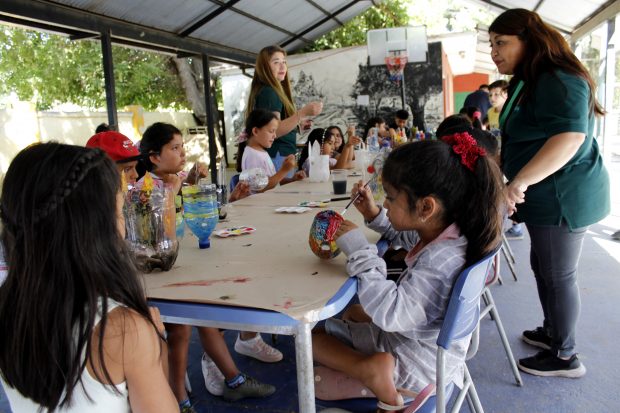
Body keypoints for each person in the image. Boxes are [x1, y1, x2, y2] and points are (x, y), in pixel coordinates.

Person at [312, 137, 504, 411]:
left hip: (416, 367)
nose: (385, 203)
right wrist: (374, 213)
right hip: (430, 348)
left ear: (426, 207)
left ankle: (370, 370)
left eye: (389, 197)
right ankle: (369, 366)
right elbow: (408, 234)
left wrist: (359, 249)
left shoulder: (440, 261)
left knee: (312, 338)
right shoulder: (451, 234)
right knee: (353, 313)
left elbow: (391, 314)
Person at [0, 142, 178, 412]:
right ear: (96, 229)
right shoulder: (123, 329)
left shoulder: (8, 306)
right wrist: (157, 341)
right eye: (119, 213)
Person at [489, 8, 610, 378]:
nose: (494, 52)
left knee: (558, 274)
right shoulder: (531, 79)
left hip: (564, 196)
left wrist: (518, 182)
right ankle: (553, 332)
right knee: (542, 266)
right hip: (544, 199)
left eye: (501, 43)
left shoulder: (559, 78)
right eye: (491, 44)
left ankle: (565, 356)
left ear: (529, 39)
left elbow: (570, 138)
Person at [138, 122, 276, 405]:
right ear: (154, 157)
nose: (182, 153)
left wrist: (189, 185)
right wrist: (174, 191)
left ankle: (233, 379)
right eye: (174, 148)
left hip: (180, 262)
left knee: (206, 315)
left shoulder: (173, 180)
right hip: (158, 273)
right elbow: (156, 232)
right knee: (184, 325)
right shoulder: (146, 189)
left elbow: (192, 218)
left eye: (182, 147)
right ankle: (179, 399)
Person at [246, 45, 323, 174]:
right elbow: (275, 130)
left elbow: (274, 124)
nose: (282, 67)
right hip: (278, 156)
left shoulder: (269, 90)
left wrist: (297, 125)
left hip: (280, 155)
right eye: (276, 62)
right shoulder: (270, 92)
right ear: (265, 67)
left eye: (284, 62)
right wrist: (302, 113)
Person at [236, 108, 305, 191]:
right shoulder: (253, 155)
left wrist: (292, 180)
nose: (275, 136)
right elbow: (261, 188)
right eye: (271, 131)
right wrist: (284, 170)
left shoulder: (260, 152)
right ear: (255, 131)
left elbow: (271, 180)